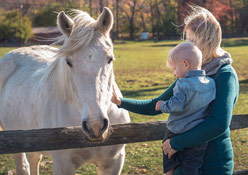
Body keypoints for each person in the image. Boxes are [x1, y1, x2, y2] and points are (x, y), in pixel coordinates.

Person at [111, 5, 239, 175]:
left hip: (213, 164)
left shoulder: (225, 74)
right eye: (187, 40)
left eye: (192, 41)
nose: (188, 45)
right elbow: (156, 104)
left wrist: (176, 143)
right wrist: (121, 101)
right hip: (183, 162)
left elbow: (218, 123)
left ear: (207, 40)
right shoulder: (190, 74)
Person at [154, 41, 215, 175]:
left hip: (178, 130)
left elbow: (176, 104)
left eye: (174, 68)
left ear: (185, 64)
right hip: (199, 133)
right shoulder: (210, 83)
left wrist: (162, 105)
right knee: (193, 162)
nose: (174, 73)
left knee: (166, 148)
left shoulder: (183, 84)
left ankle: (169, 172)